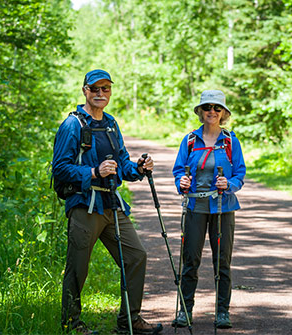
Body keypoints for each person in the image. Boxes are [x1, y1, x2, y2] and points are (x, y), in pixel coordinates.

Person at [52, 69, 164, 335]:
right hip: (84, 204)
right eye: (95, 89)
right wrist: (93, 172)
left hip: (111, 203)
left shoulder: (111, 124)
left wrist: (138, 167)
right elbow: (60, 168)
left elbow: (122, 162)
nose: (101, 93)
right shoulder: (72, 125)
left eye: (106, 89)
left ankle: (129, 321)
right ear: (85, 91)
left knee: (136, 256)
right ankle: (72, 323)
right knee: (78, 266)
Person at [171, 90, 246, 329]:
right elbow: (178, 170)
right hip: (195, 206)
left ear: (223, 113)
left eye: (216, 108)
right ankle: (185, 311)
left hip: (223, 208)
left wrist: (230, 184)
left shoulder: (231, 141)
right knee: (190, 260)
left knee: (222, 261)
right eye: (207, 108)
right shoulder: (190, 140)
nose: (211, 111)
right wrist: (181, 182)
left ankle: (222, 312)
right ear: (200, 112)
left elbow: (240, 173)